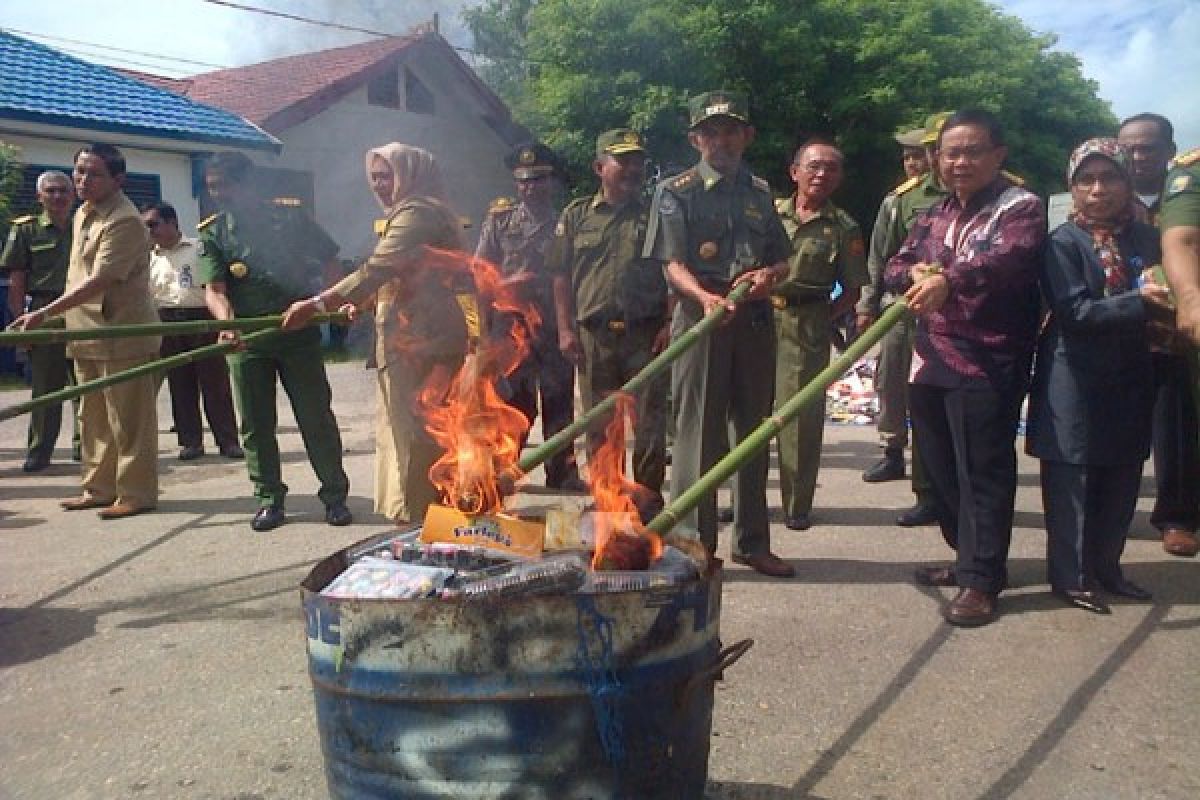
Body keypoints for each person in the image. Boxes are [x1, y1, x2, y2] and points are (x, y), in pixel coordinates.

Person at [884, 109, 1045, 626]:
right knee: (939, 465)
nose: (958, 162)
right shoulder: (932, 213)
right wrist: (914, 270)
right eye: (949, 152)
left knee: (983, 469)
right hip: (930, 355)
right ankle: (966, 556)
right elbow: (894, 264)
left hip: (988, 358)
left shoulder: (1021, 207)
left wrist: (948, 279)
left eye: (971, 151)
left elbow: (1006, 260)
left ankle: (982, 580)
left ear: (998, 155)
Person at [643, 89, 794, 578]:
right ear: (695, 139)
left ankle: (752, 541)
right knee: (696, 438)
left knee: (753, 436)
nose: (722, 140)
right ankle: (693, 545)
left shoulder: (759, 192)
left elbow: (781, 259)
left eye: (732, 130)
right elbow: (671, 264)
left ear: (747, 136)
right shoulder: (675, 191)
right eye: (712, 131)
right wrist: (705, 298)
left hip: (753, 323)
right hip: (702, 322)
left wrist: (771, 276)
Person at [282, 143, 469, 524]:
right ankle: (415, 514)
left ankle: (425, 521)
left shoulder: (418, 212)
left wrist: (319, 304)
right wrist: (363, 303)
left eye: (388, 176)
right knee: (403, 432)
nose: (380, 185)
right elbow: (400, 274)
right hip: (410, 335)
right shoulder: (410, 211)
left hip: (423, 341)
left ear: (411, 174)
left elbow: (379, 267)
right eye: (375, 177)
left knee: (419, 436)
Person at [1027, 138, 1170, 613]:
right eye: (1086, 180)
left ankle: (1109, 568)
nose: (1098, 189)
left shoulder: (1148, 239)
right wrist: (1143, 301)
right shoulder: (1063, 243)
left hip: (1131, 373)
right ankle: (1071, 577)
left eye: (1109, 177)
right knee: (1075, 479)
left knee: (1122, 475)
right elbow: (1077, 314)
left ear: (1128, 182)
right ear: (1072, 188)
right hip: (1073, 378)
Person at [197, 152, 351, 532]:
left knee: (315, 417)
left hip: (298, 336)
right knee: (255, 422)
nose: (218, 195)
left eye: (225, 185)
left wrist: (330, 303)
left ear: (247, 183)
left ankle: (334, 496)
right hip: (249, 342)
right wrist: (227, 324)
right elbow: (214, 290)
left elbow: (332, 260)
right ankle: (269, 500)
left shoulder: (290, 219)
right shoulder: (214, 232)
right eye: (212, 187)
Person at [9, 144, 161, 519]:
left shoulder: (123, 219)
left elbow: (102, 280)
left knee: (128, 421)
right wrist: (57, 319)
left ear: (117, 179)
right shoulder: (83, 215)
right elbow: (74, 277)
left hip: (123, 332)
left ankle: (135, 493)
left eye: (93, 173)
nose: (82, 180)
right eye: (79, 171)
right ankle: (98, 487)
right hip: (85, 332)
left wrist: (43, 313)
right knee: (91, 419)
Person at [550, 128, 670, 520]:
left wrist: (669, 322)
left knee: (649, 426)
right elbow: (561, 276)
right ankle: (607, 502)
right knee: (599, 428)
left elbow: (672, 270)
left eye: (638, 161)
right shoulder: (576, 215)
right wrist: (565, 329)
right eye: (624, 160)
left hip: (646, 335)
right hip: (594, 337)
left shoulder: (657, 213)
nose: (633, 168)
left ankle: (648, 504)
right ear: (600, 167)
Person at [856, 114, 951, 528]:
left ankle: (936, 487)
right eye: (924, 151)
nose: (927, 158)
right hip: (905, 309)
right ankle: (897, 455)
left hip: (962, 317)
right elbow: (881, 257)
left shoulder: (1000, 195)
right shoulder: (903, 200)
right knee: (893, 381)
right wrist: (866, 303)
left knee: (938, 402)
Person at [476, 143, 583, 491]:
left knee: (559, 402)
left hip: (554, 324)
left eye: (538, 180)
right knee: (513, 404)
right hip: (511, 328)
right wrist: (501, 296)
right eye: (523, 181)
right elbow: (481, 273)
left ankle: (562, 474)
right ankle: (505, 471)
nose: (530, 187)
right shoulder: (500, 221)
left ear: (551, 182)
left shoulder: (567, 223)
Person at [772, 139, 867, 530]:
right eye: (813, 166)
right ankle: (744, 501)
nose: (821, 174)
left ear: (839, 177)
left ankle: (797, 504)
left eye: (830, 168)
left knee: (800, 420)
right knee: (744, 413)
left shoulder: (843, 228)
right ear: (795, 172)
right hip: (758, 318)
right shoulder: (768, 215)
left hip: (805, 326)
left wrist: (822, 316)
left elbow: (854, 289)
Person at [1117, 114, 1200, 559]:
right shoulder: (1102, 193)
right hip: (1117, 332)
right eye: (1128, 147)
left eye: (1147, 147)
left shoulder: (1188, 193)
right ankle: (1110, 515)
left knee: (1175, 429)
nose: (1137, 156)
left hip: (1175, 335)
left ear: (1170, 150)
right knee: (1114, 429)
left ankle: (1177, 517)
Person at [143, 202, 242, 462]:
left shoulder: (199, 248)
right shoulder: (150, 257)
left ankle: (228, 441)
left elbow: (214, 285)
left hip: (200, 318)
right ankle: (191, 442)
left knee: (215, 382)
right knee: (180, 383)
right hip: (167, 321)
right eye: (145, 226)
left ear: (172, 222)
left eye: (153, 224)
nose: (149, 230)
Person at [1, 170, 79, 472]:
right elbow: (16, 282)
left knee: (87, 381)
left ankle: (85, 448)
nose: (58, 197)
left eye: (64, 191)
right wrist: (22, 323)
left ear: (72, 195)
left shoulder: (84, 226)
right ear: (39, 196)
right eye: (51, 191)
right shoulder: (26, 231)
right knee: (47, 387)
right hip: (44, 309)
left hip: (82, 307)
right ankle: (40, 450)